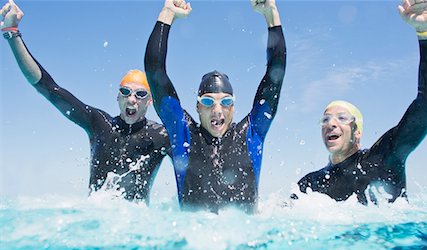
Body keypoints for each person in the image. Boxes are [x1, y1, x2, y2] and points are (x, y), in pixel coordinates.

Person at [1, 0, 169, 204]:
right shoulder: (99, 123)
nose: (131, 99)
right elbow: (48, 87)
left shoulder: (160, 136)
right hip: (95, 222)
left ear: (150, 101)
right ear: (118, 97)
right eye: (125, 92)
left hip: (136, 226)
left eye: (140, 94)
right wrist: (12, 33)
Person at [292, 0, 427, 205]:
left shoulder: (384, 157)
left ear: (357, 132)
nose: (331, 123)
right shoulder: (309, 185)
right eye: (326, 119)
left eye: (342, 118)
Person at [145, 0, 286, 213]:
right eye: (208, 102)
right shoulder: (183, 134)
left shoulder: (251, 133)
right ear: (198, 107)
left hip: (246, 242)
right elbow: (155, 71)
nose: (218, 110)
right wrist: (167, 14)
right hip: (192, 243)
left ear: (234, 107)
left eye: (226, 102)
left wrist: (271, 15)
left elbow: (275, 74)